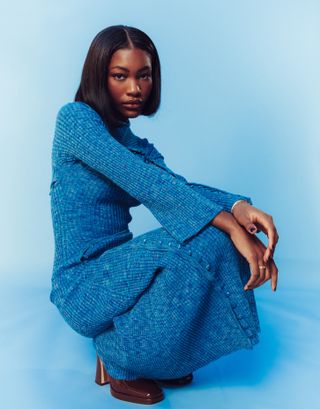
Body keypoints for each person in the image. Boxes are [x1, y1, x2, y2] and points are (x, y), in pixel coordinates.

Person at [49, 25, 279, 405]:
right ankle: (119, 358)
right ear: (98, 76)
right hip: (83, 285)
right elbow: (144, 183)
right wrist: (231, 227)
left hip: (123, 275)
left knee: (208, 234)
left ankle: (146, 351)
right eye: (120, 76)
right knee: (199, 237)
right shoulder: (75, 121)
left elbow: (176, 187)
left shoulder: (137, 144)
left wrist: (240, 208)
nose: (135, 88)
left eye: (144, 75)